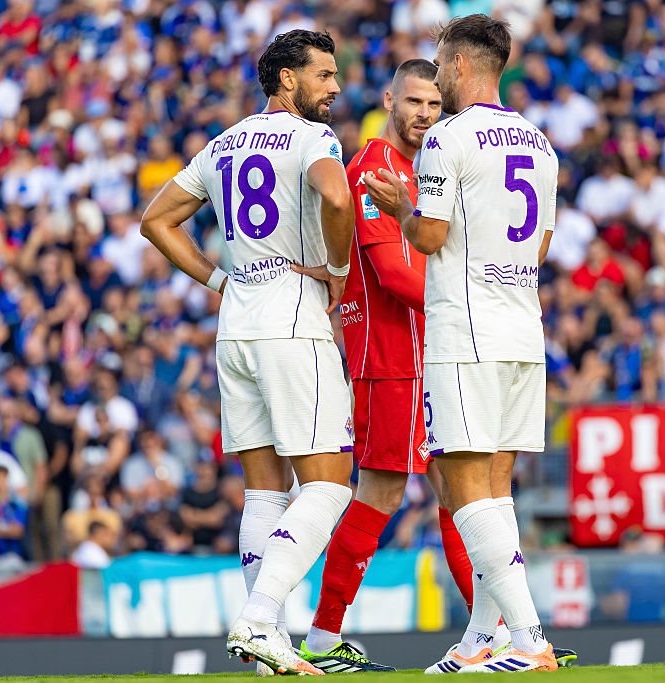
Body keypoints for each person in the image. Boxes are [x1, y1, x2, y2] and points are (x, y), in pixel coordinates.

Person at [140, 29, 356, 675]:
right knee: (328, 484)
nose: (335, 86)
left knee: (264, 493)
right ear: (287, 79)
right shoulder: (313, 138)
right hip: (292, 321)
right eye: (323, 74)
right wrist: (337, 269)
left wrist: (218, 281)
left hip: (236, 325)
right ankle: (260, 618)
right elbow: (337, 195)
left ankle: (269, 651)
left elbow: (156, 220)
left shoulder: (224, 143)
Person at [364, 14, 572, 673]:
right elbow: (541, 246)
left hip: (466, 333)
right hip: (523, 329)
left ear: (457, 65)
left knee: (464, 489)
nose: (437, 79)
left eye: (438, 65)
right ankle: (483, 635)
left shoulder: (448, 138)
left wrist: (400, 207)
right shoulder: (540, 143)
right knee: (495, 491)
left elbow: (428, 237)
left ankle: (529, 638)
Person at [298, 60, 473, 673]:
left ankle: (494, 630)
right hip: (390, 357)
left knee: (456, 488)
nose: (424, 114)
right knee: (384, 490)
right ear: (389, 100)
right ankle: (323, 636)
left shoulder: (418, 171)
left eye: (434, 105)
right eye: (414, 102)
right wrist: (465, 297)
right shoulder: (373, 171)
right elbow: (396, 275)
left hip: (426, 352)